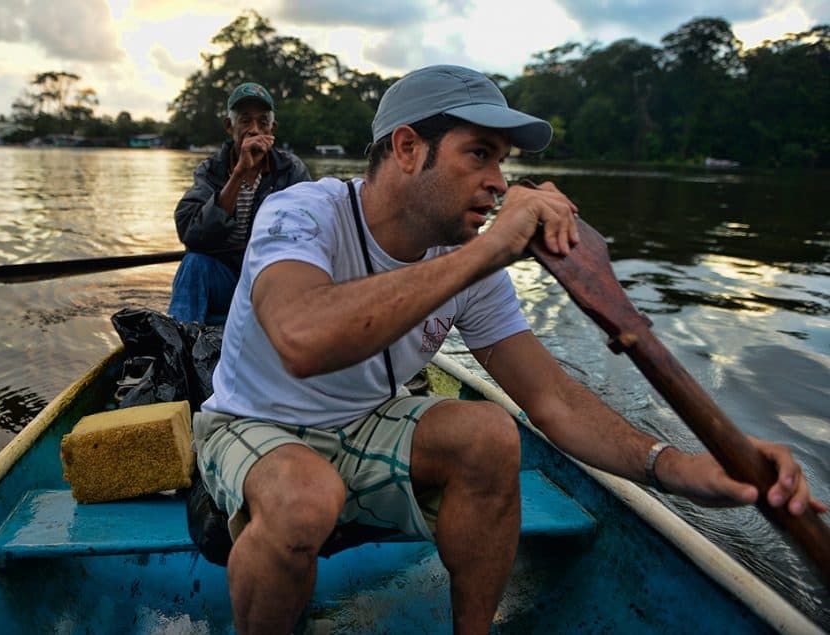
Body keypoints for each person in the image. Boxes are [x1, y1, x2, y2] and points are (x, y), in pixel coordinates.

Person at [192, 65, 826, 634]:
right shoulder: (301, 211)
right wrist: (490, 249)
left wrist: (679, 467)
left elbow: (552, 399)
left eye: (504, 163)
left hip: (362, 423)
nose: (498, 184)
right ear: (409, 148)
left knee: (492, 434)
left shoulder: (469, 262)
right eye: (480, 155)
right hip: (255, 421)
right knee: (306, 500)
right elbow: (301, 339)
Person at [169, 81, 311, 324]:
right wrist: (239, 173)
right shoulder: (211, 170)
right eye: (245, 121)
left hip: (268, 282)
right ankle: (178, 348)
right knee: (193, 265)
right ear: (229, 126)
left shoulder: (290, 170)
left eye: (262, 122)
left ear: (272, 130)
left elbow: (311, 230)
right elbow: (190, 233)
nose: (254, 130)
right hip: (224, 277)